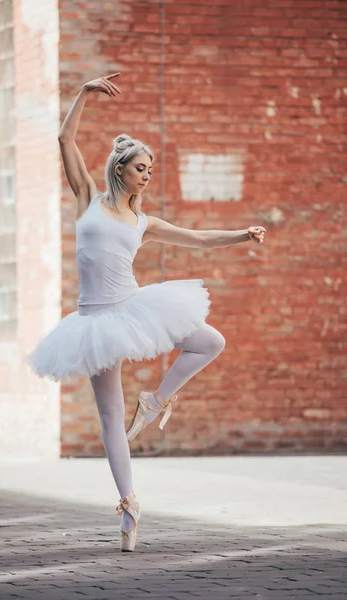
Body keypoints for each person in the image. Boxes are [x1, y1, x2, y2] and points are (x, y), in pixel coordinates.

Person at [26, 73, 266, 552]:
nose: (146, 176)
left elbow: (198, 240)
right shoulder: (86, 200)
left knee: (210, 341)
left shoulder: (145, 223)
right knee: (110, 418)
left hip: (133, 308)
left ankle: (155, 401)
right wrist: (84, 94)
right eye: (141, 168)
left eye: (150, 171)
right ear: (120, 169)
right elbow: (64, 137)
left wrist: (241, 235)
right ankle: (129, 506)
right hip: (94, 321)